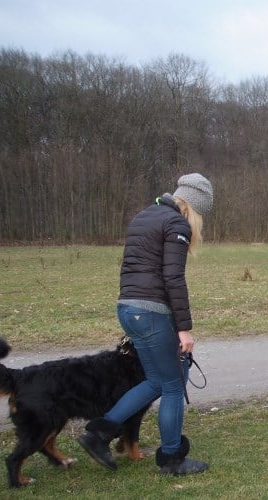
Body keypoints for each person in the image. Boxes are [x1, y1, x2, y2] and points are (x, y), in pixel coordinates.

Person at [78, 173, 213, 476]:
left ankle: (98, 434)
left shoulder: (144, 216)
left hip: (128, 308)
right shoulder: (177, 223)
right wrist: (184, 328)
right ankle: (171, 459)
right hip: (151, 313)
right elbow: (173, 278)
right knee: (174, 385)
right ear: (193, 207)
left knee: (154, 381)